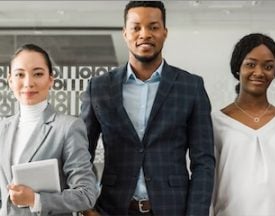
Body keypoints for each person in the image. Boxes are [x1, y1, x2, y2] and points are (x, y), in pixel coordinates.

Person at [81, 1, 215, 216]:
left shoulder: (191, 87)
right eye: (136, 27)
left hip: (173, 210)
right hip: (112, 209)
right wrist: (86, 208)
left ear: (164, 32)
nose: (145, 34)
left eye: (153, 27)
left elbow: (204, 162)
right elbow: (80, 155)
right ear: (125, 33)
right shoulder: (99, 87)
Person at [0, 44, 97, 215]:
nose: (29, 83)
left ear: (50, 80)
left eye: (38, 74)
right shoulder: (2, 128)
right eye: (20, 74)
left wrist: (36, 200)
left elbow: (86, 194)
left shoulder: (67, 127)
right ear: (10, 81)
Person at [210, 33, 275, 216]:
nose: (259, 72)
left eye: (268, 66)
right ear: (238, 67)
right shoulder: (215, 122)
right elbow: (207, 183)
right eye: (251, 64)